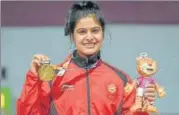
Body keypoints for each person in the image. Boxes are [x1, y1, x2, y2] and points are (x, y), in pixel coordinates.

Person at [16, 1, 156, 115]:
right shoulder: (52, 79)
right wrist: (34, 79)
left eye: (95, 30)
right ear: (72, 35)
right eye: (82, 32)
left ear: (102, 33)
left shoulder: (121, 80)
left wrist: (141, 106)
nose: (89, 37)